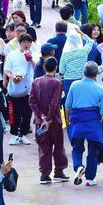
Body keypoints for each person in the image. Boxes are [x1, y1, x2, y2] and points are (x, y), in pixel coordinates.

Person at [65, 61, 103, 186]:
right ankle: (90, 178)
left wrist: (68, 121)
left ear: (83, 72)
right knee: (93, 150)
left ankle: (78, 166)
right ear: (96, 74)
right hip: (93, 121)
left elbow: (68, 106)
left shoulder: (74, 85)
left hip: (77, 119)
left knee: (77, 148)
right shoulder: (100, 88)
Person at [29, 57, 70, 185]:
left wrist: (41, 116)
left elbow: (32, 101)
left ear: (44, 67)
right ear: (56, 67)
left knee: (43, 147)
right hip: (55, 121)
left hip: (39, 122)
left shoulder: (36, 82)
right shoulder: (57, 83)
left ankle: (45, 174)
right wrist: (48, 118)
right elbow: (54, 103)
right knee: (58, 146)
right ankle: (59, 171)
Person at [4, 33, 36, 145]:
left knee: (27, 114)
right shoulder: (12, 55)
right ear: (20, 43)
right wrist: (12, 77)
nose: (26, 45)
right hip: (14, 90)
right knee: (14, 114)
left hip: (29, 90)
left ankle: (23, 134)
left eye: (28, 42)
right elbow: (7, 70)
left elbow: (38, 68)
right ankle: (13, 135)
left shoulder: (34, 54)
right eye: (24, 42)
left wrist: (31, 60)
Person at [59, 29, 93, 103]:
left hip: (68, 81)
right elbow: (90, 41)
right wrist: (80, 32)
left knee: (69, 102)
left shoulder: (65, 55)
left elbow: (61, 71)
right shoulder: (83, 52)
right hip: (81, 79)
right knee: (80, 101)